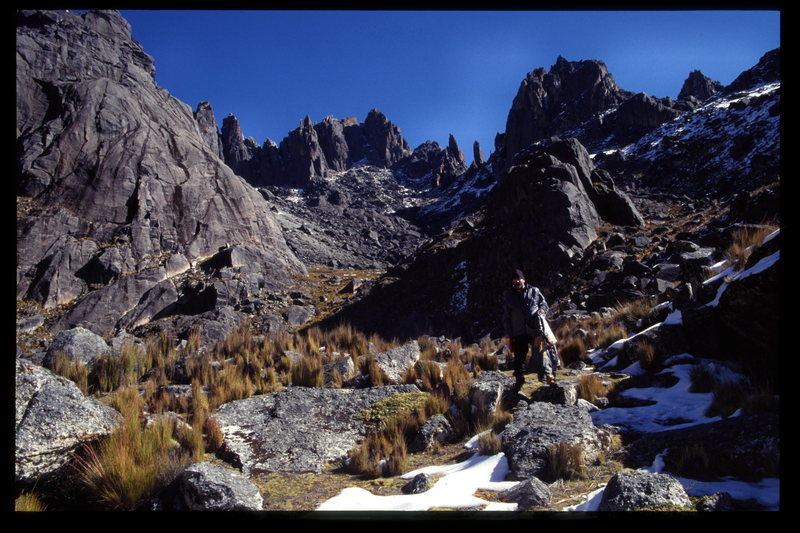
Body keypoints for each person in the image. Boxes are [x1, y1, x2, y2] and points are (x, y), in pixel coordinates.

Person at [502, 269, 555, 392]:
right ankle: (519, 381)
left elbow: (543, 304)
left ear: (523, 279)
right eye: (514, 279)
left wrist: (542, 311)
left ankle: (548, 378)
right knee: (519, 358)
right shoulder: (509, 295)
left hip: (535, 329)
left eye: (518, 279)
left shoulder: (534, 291)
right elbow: (506, 317)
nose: (516, 281)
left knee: (542, 354)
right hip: (518, 332)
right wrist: (510, 334)